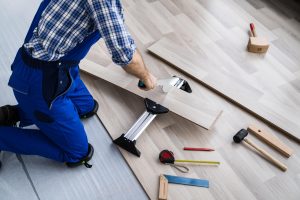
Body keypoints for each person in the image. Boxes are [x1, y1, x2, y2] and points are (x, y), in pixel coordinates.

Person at [0, 0, 156, 168]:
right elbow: (126, 57)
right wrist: (146, 76)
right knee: (78, 153)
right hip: (40, 79)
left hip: (63, 65)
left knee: (86, 107)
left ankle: (14, 114)